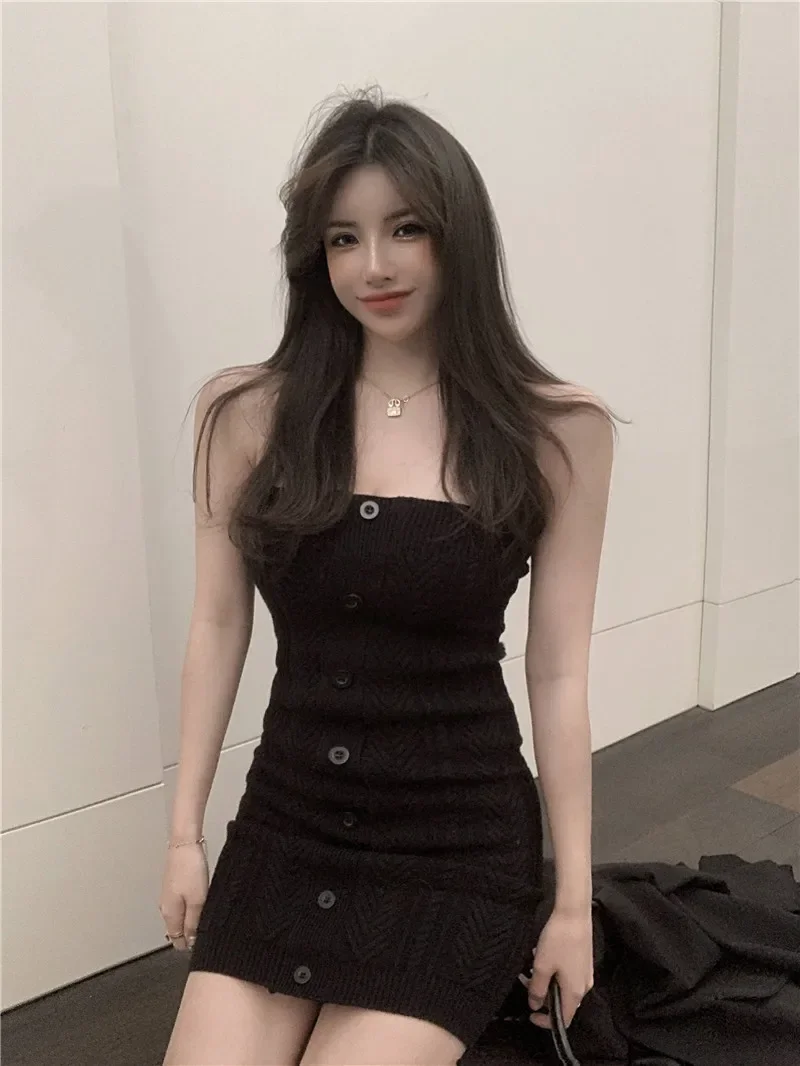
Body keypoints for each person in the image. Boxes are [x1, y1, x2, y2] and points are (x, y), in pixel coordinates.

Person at [159, 87, 616, 1066]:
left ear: (460, 234)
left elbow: (558, 673)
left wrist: (571, 903)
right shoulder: (244, 414)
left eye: (405, 228)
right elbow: (216, 625)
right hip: (289, 825)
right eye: (342, 238)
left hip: (455, 844)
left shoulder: (555, 429)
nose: (372, 265)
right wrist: (184, 835)